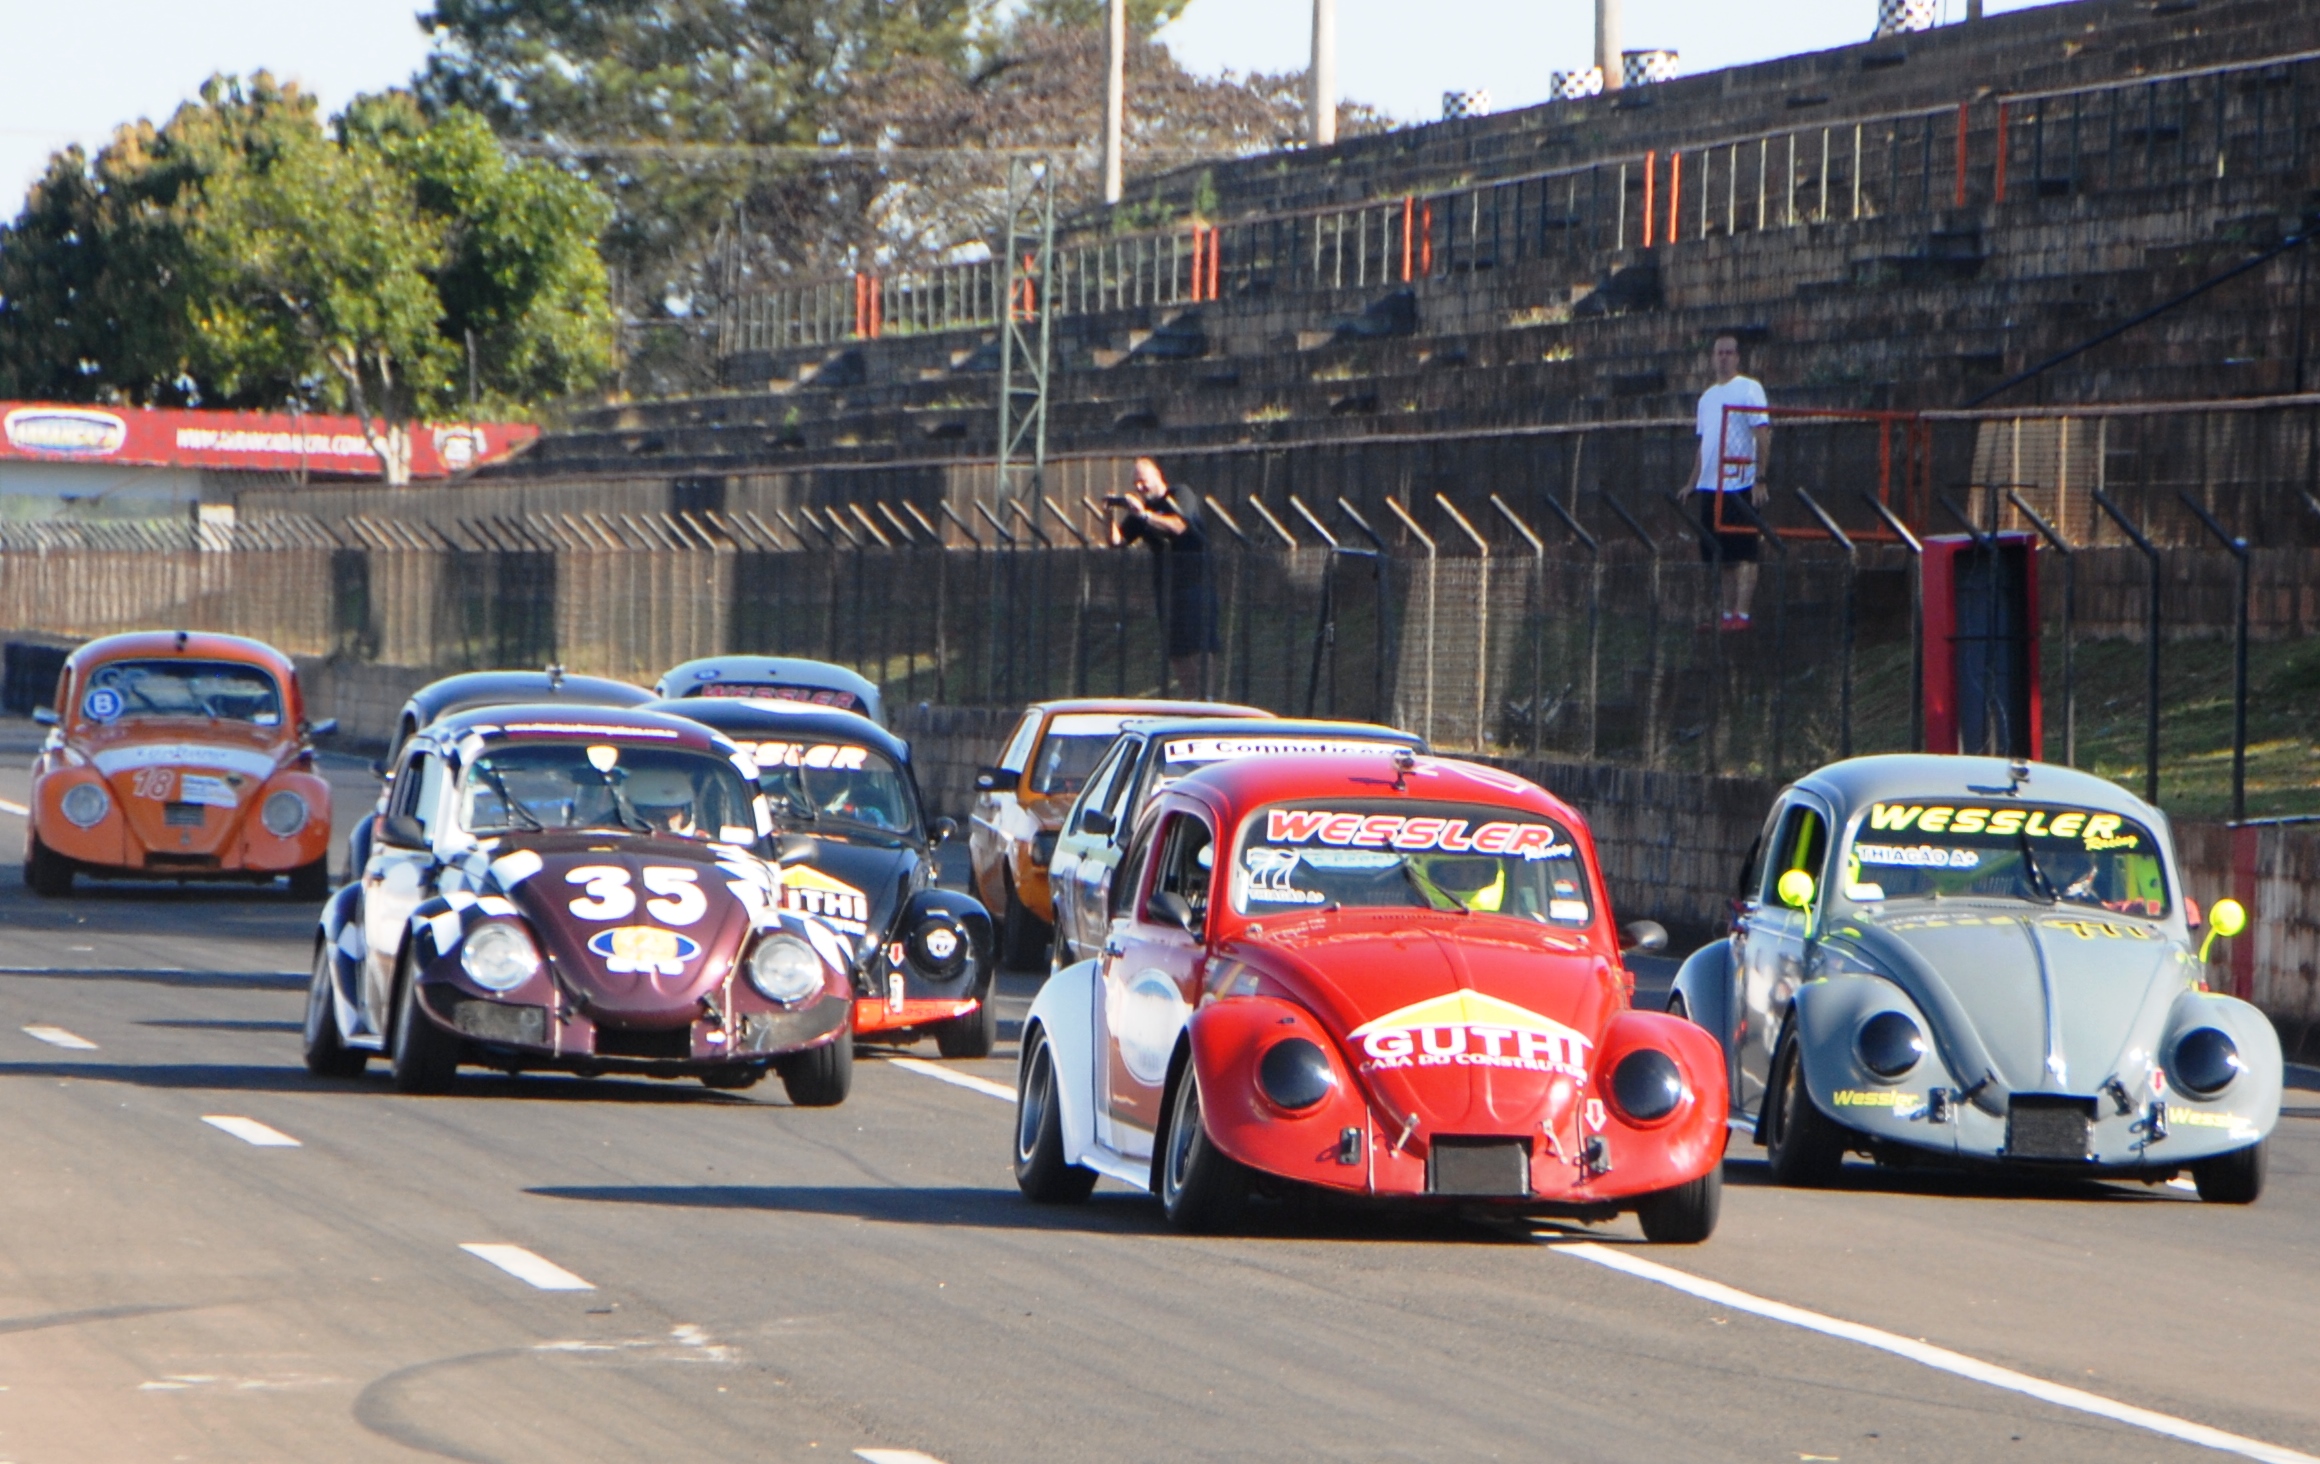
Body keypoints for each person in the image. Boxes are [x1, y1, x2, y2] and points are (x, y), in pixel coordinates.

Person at [1673, 335, 1772, 630]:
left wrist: (1760, 477)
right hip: (1711, 485)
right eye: (1720, 353)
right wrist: (1692, 482)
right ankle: (1728, 615)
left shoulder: (1749, 388)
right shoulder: (1706, 398)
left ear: (1738, 357)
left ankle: (1743, 613)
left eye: (1730, 352)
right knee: (1722, 554)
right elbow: (1705, 445)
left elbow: (1762, 433)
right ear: (1713, 357)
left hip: (1740, 481)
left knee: (1746, 551)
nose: (1724, 358)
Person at [1109, 456, 1219, 697]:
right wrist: (1109, 513)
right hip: (1167, 587)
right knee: (1177, 649)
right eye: (1135, 483)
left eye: (1143, 481)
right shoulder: (1142, 510)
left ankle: (1207, 697)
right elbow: (1118, 540)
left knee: (1200, 644)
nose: (1139, 487)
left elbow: (1180, 526)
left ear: (1157, 475)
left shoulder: (1179, 494)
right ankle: (1191, 697)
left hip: (1195, 581)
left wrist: (1145, 515)